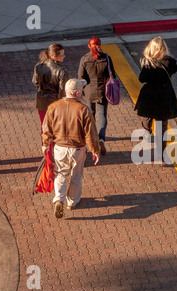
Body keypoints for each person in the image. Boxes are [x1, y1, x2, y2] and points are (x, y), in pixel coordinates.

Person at [41, 78, 101, 219]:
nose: (83, 90)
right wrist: (95, 150)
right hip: (77, 148)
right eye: (82, 89)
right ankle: (72, 201)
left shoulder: (53, 107)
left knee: (60, 173)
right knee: (76, 175)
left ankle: (59, 199)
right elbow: (90, 133)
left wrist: (45, 144)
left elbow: (47, 129)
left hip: (59, 147)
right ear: (77, 93)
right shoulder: (83, 109)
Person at [134, 36, 177, 163]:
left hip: (150, 96)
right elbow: (175, 69)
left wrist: (145, 63)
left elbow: (141, 79)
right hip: (164, 97)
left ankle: (146, 133)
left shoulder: (148, 63)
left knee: (147, 117)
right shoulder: (169, 62)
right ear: (163, 48)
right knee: (162, 126)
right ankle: (161, 155)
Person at [78, 36, 117, 156]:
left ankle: (92, 139)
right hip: (102, 92)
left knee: (91, 116)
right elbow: (112, 75)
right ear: (100, 45)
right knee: (102, 115)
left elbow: (81, 77)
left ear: (89, 46)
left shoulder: (84, 59)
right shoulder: (106, 58)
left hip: (89, 92)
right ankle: (101, 139)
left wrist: (83, 89)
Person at [32, 43, 69, 127]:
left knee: (44, 127)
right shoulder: (62, 70)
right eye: (62, 54)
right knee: (56, 128)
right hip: (55, 102)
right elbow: (62, 91)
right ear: (54, 56)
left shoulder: (39, 66)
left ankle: (45, 141)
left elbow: (35, 82)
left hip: (41, 101)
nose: (64, 56)